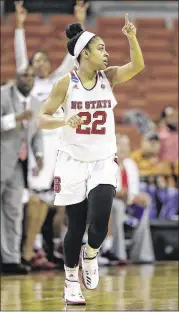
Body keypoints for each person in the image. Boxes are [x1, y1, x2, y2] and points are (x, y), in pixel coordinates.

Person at [38, 14, 144, 305]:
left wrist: (131, 37)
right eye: (101, 49)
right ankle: (71, 280)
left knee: (99, 221)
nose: (107, 53)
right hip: (72, 160)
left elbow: (137, 66)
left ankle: (91, 254)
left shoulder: (107, 78)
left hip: (102, 159)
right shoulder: (65, 83)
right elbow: (42, 118)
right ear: (84, 53)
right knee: (75, 224)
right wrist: (63, 120)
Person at [14, 0, 89, 268]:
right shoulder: (29, 85)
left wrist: (79, 25)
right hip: (38, 147)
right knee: (38, 197)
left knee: (61, 200)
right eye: (37, 61)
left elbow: (72, 56)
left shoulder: (58, 81)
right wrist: (20, 26)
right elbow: (20, 57)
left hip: (59, 144)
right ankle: (34, 250)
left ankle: (56, 247)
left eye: (45, 60)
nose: (41, 64)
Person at [1, 64, 43, 274]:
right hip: (1, 161)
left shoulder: (35, 103)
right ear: (16, 77)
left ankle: (10, 259)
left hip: (19, 165)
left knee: (14, 212)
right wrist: (16, 118)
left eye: (31, 76)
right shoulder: (3, 95)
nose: (28, 79)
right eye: (24, 75)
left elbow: (37, 133)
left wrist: (40, 155)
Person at [110, 135, 154, 264]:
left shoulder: (131, 164)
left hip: (129, 203)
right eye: (120, 144)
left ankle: (141, 255)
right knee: (116, 206)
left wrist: (140, 197)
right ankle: (118, 254)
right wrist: (122, 195)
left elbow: (133, 190)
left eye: (127, 145)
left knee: (145, 203)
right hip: (112, 202)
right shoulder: (106, 163)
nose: (124, 148)